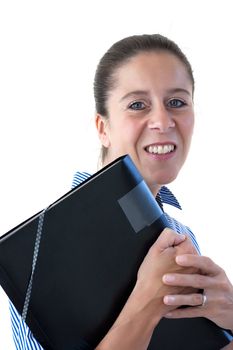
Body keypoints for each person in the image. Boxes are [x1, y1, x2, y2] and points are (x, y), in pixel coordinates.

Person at [9, 34, 233, 349]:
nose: (163, 121)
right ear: (103, 128)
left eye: (177, 102)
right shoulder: (38, 249)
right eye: (138, 104)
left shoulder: (181, 234)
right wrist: (146, 301)